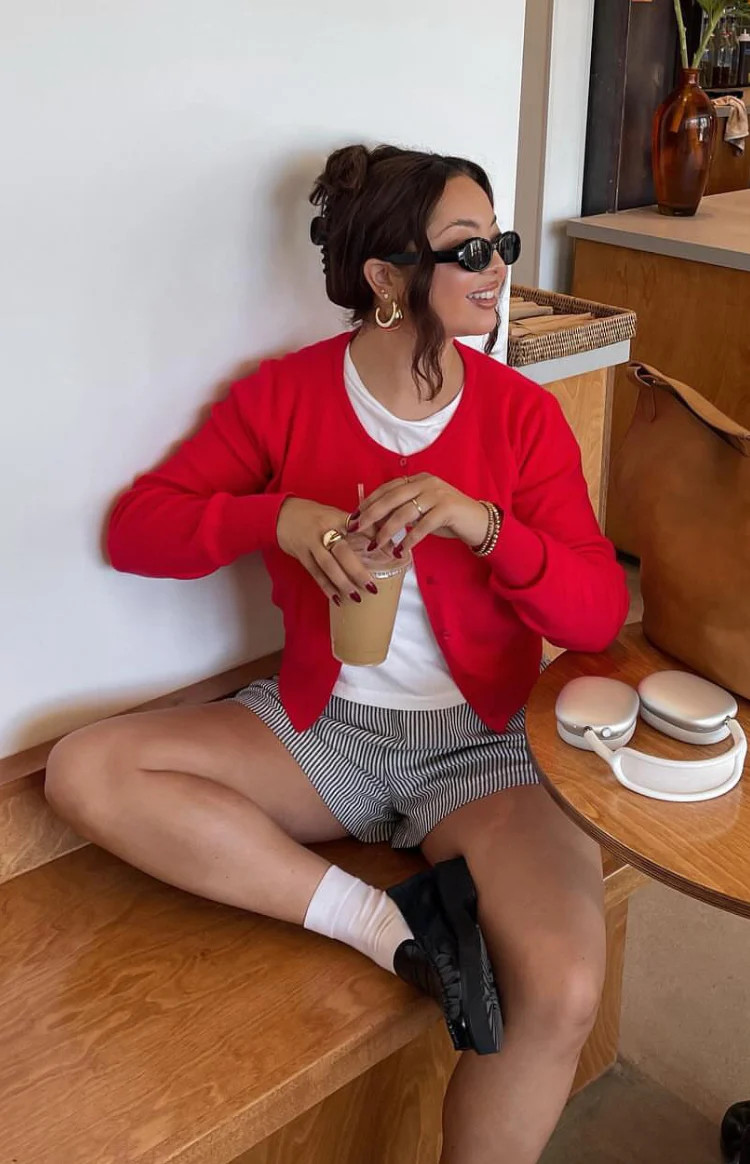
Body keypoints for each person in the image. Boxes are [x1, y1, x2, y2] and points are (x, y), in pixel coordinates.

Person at [45, 143, 629, 1164]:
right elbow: (137, 530)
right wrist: (273, 519)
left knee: (567, 988)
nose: (500, 266)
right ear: (386, 279)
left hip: (485, 742)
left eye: (502, 240)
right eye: (471, 249)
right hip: (324, 732)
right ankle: (384, 924)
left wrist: (484, 526)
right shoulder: (285, 397)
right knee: (84, 769)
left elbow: (595, 613)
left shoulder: (521, 417)